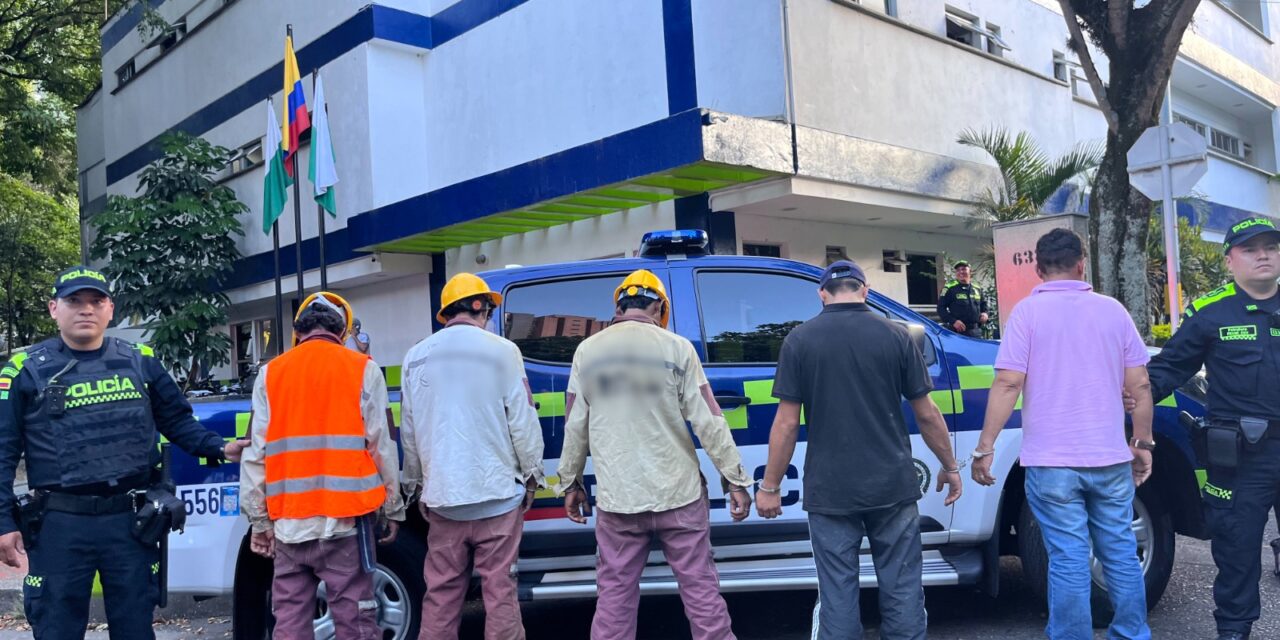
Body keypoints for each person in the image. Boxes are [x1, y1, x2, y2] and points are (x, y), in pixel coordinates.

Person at [0, 265, 247, 640]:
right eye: (74, 301)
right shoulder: (23, 369)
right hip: (59, 525)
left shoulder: (140, 359)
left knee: (135, 628)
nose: (86, 309)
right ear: (54, 308)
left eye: (96, 301)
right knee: (56, 629)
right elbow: (3, 450)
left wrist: (221, 447)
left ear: (110, 309)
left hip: (130, 524)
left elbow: (177, 422)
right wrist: (4, 523)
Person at [755, 259, 963, 640]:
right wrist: (949, 465)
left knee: (837, 590)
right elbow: (928, 414)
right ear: (864, 290)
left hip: (831, 491)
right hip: (892, 486)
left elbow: (785, 423)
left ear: (822, 295)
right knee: (902, 585)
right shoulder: (897, 336)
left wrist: (770, 487)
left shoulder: (799, 341)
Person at [969, 229, 1153, 639]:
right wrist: (1142, 443)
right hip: (1109, 457)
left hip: (1052, 462)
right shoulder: (1113, 312)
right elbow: (1139, 386)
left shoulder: (1026, 315)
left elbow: (1007, 384)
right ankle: (1132, 634)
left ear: (1038, 268)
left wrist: (985, 448)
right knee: (1120, 551)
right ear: (1081, 263)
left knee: (1069, 557)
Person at [558, 269, 753, 640]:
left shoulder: (588, 351)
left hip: (620, 499)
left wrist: (570, 482)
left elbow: (574, 426)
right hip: (678, 493)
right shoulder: (677, 348)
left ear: (618, 306)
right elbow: (709, 420)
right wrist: (736, 479)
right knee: (700, 590)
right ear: (659, 306)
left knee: (614, 595)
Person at [239, 292, 405, 640]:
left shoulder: (271, 374)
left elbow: (256, 455)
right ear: (342, 331)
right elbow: (380, 447)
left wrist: (259, 521)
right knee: (355, 622)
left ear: (297, 332)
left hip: (288, 526)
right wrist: (393, 507)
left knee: (290, 623)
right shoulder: (363, 369)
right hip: (344, 525)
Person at [1147, 216, 1280, 640]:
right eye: (1251, 248)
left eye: (1271, 247)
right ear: (1230, 261)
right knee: (1237, 553)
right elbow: (1164, 372)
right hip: (1245, 458)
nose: (1263, 254)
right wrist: (1118, 406)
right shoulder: (1209, 313)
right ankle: (1235, 632)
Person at [400, 273, 545, 640]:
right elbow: (523, 422)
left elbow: (410, 434)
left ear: (446, 313)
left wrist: (416, 486)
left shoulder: (415, 358)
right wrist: (532, 475)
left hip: (444, 501)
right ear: (480, 308)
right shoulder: (502, 351)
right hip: (497, 498)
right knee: (500, 593)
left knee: (442, 595)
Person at [936, 260, 988, 337]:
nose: (961, 272)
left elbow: (984, 304)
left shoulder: (977, 288)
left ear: (970, 271)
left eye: (963, 269)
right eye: (958, 270)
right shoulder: (949, 288)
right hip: (958, 332)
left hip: (976, 331)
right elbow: (941, 308)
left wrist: (985, 313)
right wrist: (953, 321)